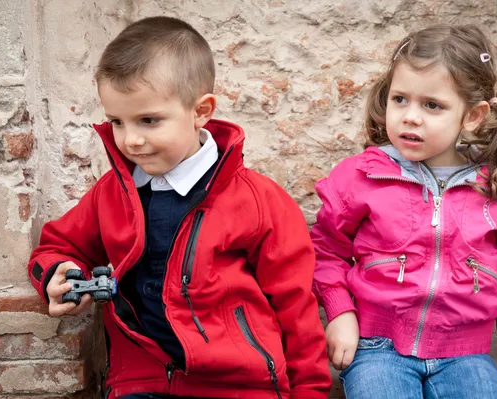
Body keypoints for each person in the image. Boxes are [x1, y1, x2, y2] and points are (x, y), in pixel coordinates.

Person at [28, 16, 331, 399]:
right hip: (141, 380)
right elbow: (55, 247)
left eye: (149, 120)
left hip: (241, 385)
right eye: (116, 122)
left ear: (201, 110)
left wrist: (310, 393)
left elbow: (295, 307)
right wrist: (61, 272)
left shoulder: (258, 201)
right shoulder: (112, 194)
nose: (130, 140)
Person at [311, 24, 497, 399]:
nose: (410, 117)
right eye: (400, 99)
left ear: (473, 115)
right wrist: (340, 312)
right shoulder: (361, 176)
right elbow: (325, 249)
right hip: (377, 347)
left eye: (432, 105)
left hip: (467, 354)